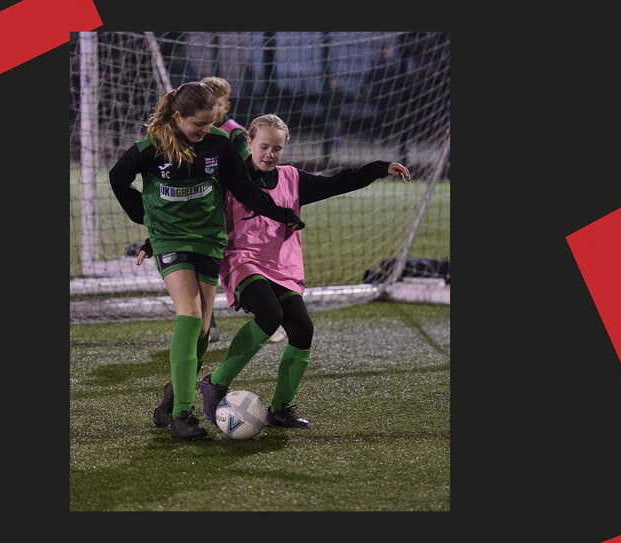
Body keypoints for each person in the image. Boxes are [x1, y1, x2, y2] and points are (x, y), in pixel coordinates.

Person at [109, 82, 305, 440]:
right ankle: (183, 415)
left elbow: (245, 190)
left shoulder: (219, 145)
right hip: (171, 239)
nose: (205, 130)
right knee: (189, 314)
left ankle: (172, 396)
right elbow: (118, 178)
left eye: (210, 122)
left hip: (209, 240)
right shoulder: (151, 147)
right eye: (198, 124)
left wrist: (280, 213)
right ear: (178, 116)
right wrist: (145, 220)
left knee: (200, 328)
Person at [199, 113, 411, 429]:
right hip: (242, 262)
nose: (270, 154)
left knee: (302, 329)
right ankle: (215, 383)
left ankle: (280, 409)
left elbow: (340, 181)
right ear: (249, 143)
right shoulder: (231, 178)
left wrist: (380, 169)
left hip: (283, 266)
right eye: (264, 146)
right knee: (269, 315)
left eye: (277, 148)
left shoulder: (292, 179)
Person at [201, 75, 288, 343]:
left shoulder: (234, 133)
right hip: (207, 208)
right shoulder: (198, 131)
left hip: (236, 211)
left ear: (225, 107)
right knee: (202, 269)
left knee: (244, 268)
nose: (212, 109)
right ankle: (208, 326)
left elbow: (246, 172)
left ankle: (270, 320)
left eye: (217, 103)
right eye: (206, 103)